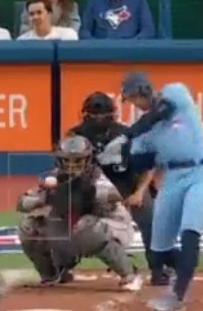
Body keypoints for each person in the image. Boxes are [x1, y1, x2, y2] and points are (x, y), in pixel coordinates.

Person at [101, 74, 203, 311]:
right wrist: (120, 153)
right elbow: (140, 162)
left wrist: (128, 135)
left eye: (133, 98)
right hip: (172, 179)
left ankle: (178, 295)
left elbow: (161, 111)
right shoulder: (145, 133)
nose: (135, 104)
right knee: (159, 251)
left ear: (142, 91)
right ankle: (186, 266)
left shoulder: (175, 93)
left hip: (200, 172)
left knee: (189, 232)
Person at [13, 136, 144, 291]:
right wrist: (44, 198)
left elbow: (113, 197)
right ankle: (52, 274)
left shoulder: (96, 177)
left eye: (78, 160)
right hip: (72, 231)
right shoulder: (54, 179)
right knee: (28, 226)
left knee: (86, 225)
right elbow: (22, 203)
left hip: (113, 227)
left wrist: (86, 193)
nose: (72, 165)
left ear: (88, 159)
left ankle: (129, 273)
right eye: (67, 160)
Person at [67, 91, 165, 285]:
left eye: (100, 116)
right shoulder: (74, 136)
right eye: (92, 116)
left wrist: (139, 192)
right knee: (64, 215)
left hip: (127, 185)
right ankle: (61, 265)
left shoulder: (126, 135)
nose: (96, 120)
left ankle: (159, 268)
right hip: (92, 189)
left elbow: (148, 164)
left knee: (149, 215)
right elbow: (66, 168)